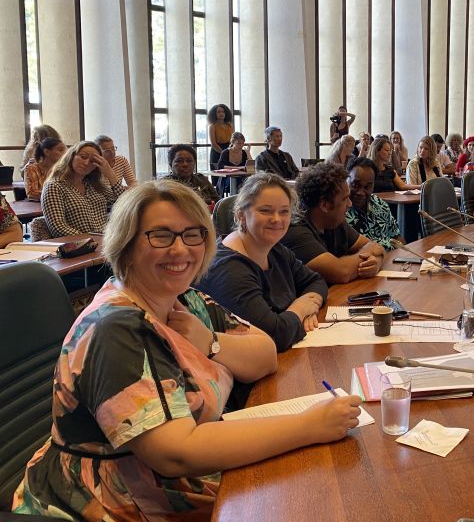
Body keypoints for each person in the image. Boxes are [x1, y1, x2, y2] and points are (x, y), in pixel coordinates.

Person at [12, 180, 360, 519]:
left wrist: (209, 343)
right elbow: (175, 454)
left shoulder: (185, 299)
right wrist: (309, 425)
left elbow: (266, 354)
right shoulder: (116, 329)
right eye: (161, 235)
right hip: (115, 501)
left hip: (186, 480)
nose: (180, 249)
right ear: (127, 245)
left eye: (193, 234)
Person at [199, 173, 327, 352]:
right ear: (241, 215)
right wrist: (300, 309)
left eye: (284, 211)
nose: (277, 219)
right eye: (265, 211)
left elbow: (316, 281)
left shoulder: (274, 249)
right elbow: (273, 336)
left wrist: (306, 309)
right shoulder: (229, 270)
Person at [281, 162, 385, 284]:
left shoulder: (334, 222)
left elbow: (376, 247)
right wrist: (368, 254)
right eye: (345, 199)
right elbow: (341, 273)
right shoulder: (295, 232)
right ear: (325, 205)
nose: (350, 204)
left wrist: (376, 263)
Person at [41, 141, 124, 237]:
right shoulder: (54, 187)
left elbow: (126, 204)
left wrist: (109, 173)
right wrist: (90, 240)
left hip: (106, 238)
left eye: (93, 161)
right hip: (79, 243)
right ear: (71, 156)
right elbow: (58, 228)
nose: (86, 163)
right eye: (83, 157)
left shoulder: (95, 186)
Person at [345, 157, 401, 250]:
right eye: (356, 185)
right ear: (346, 181)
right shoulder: (340, 212)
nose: (361, 192)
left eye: (367, 187)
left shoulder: (380, 204)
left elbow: (397, 237)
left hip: (391, 257)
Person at [207, 104, 234, 174]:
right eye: (218, 112)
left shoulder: (229, 125)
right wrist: (224, 153)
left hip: (228, 150)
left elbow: (233, 140)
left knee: (229, 173)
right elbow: (213, 144)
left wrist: (230, 152)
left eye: (223, 112)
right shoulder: (212, 126)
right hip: (217, 151)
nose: (221, 113)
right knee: (217, 174)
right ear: (214, 114)